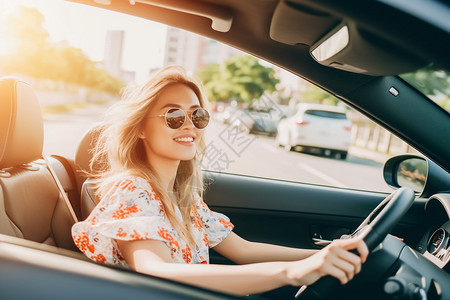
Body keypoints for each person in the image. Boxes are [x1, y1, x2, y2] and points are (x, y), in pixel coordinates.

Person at [72, 65, 368, 296]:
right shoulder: (132, 190)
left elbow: (244, 250)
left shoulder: (182, 198)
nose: (189, 125)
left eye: (197, 115)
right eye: (173, 116)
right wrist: (289, 274)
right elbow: (154, 270)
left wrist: (322, 255)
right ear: (140, 129)